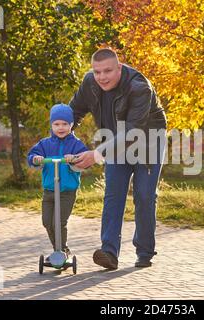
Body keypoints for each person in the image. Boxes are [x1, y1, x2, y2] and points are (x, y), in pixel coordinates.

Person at [69, 48, 167, 269]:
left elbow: (133, 132)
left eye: (107, 71)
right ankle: (109, 253)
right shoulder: (90, 83)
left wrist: (95, 154)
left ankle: (144, 251)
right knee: (113, 194)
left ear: (119, 68)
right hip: (115, 141)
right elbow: (73, 112)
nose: (102, 77)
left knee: (143, 195)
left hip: (148, 140)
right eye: (97, 71)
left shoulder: (139, 87)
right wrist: (60, 137)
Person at [27, 104, 88, 259]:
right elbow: (32, 156)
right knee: (47, 222)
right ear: (51, 125)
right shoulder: (45, 144)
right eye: (56, 124)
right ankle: (61, 250)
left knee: (58, 223)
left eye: (65, 124)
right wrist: (36, 159)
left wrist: (73, 158)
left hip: (67, 191)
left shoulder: (76, 144)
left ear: (71, 124)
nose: (61, 128)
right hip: (49, 190)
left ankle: (59, 253)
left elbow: (84, 158)